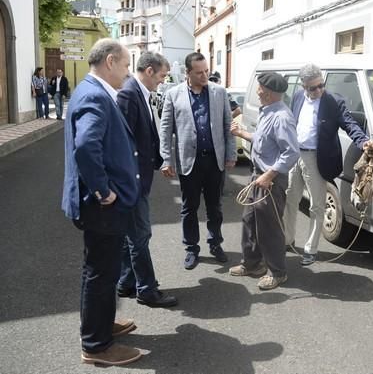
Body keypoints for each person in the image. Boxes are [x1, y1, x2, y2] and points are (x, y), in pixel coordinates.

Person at [61, 38, 142, 366]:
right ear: (110, 61)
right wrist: (103, 190)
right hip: (102, 206)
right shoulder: (95, 94)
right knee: (101, 272)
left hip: (99, 205)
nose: (127, 73)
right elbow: (86, 147)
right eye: (125, 66)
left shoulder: (89, 90)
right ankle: (96, 345)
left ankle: (100, 325)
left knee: (100, 270)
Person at [284, 64, 368, 266]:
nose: (319, 90)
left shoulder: (333, 101)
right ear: (304, 86)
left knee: (317, 206)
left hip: (317, 159)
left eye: (321, 85)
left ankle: (311, 249)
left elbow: (350, 124)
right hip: (295, 156)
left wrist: (363, 141)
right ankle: (287, 240)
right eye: (313, 88)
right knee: (290, 199)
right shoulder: (296, 97)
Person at [159, 52, 236, 270]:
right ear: (188, 73)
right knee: (189, 207)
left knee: (215, 207)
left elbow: (227, 125)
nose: (204, 76)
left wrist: (230, 154)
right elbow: (165, 130)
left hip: (214, 161)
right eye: (199, 72)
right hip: (188, 161)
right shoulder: (174, 95)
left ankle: (215, 243)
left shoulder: (219, 92)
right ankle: (191, 248)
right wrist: (166, 159)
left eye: (206, 71)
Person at [115, 51, 177, 308]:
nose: (162, 81)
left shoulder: (139, 92)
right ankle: (147, 290)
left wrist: (159, 160)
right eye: (162, 76)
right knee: (140, 235)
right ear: (149, 71)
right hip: (132, 180)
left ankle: (126, 282)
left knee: (133, 234)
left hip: (138, 177)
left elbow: (145, 134)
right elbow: (123, 142)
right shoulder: (130, 93)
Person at [229, 72, 299, 290]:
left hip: (270, 180)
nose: (257, 91)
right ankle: (252, 264)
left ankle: (277, 272)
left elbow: (291, 152)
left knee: (269, 228)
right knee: (249, 221)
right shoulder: (268, 111)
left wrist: (269, 175)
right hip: (257, 175)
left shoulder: (281, 117)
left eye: (259, 88)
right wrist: (242, 133)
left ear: (266, 92)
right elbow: (263, 140)